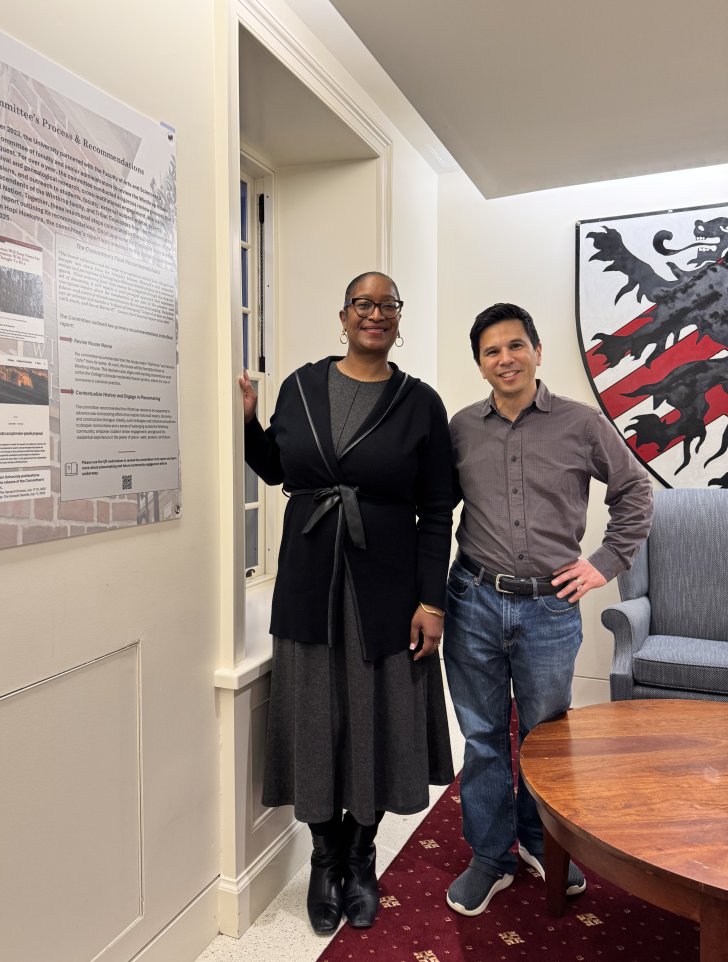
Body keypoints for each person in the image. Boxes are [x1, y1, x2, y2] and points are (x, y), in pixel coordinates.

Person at [239, 272, 455, 935]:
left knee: (378, 723)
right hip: (307, 587)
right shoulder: (302, 387)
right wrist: (247, 422)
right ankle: (324, 857)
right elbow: (277, 470)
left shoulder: (419, 403)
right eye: (363, 303)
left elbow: (436, 510)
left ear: (398, 320)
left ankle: (361, 858)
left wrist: (432, 601)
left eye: (387, 305)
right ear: (343, 315)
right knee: (312, 722)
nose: (375, 314)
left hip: (386, 592)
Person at [442, 303, 654, 917]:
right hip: (473, 602)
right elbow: (433, 510)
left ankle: (540, 840)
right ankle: (490, 856)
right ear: (479, 364)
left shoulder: (582, 425)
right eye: (491, 351)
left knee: (544, 739)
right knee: (483, 739)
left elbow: (635, 491)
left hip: (549, 611)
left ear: (537, 351)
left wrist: (604, 563)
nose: (504, 358)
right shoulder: (460, 429)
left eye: (515, 346)